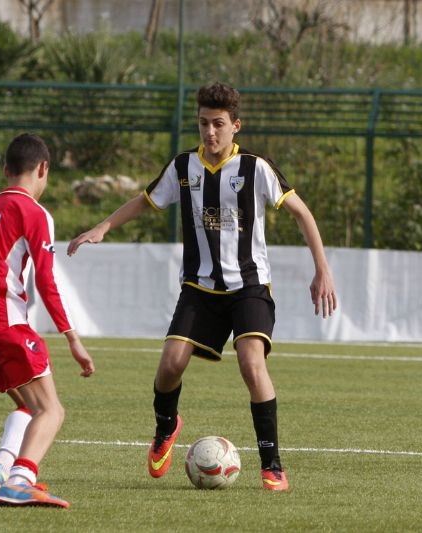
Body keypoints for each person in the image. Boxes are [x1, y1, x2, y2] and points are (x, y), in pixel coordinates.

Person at [67, 82, 336, 491]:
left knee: (251, 363)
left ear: (236, 127)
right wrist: (103, 226)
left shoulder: (255, 168)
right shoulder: (182, 168)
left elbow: (302, 213)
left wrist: (323, 269)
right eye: (203, 124)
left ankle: (272, 464)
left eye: (219, 125)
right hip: (199, 288)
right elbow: (145, 200)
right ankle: (166, 427)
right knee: (171, 364)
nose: (210, 132)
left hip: (248, 286)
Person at [0, 132, 95, 507]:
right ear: (44, 169)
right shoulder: (34, 212)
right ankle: (22, 480)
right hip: (1, 317)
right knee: (52, 410)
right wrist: (72, 337)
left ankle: (1, 468)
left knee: (29, 406)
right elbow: (45, 278)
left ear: (6, 170)